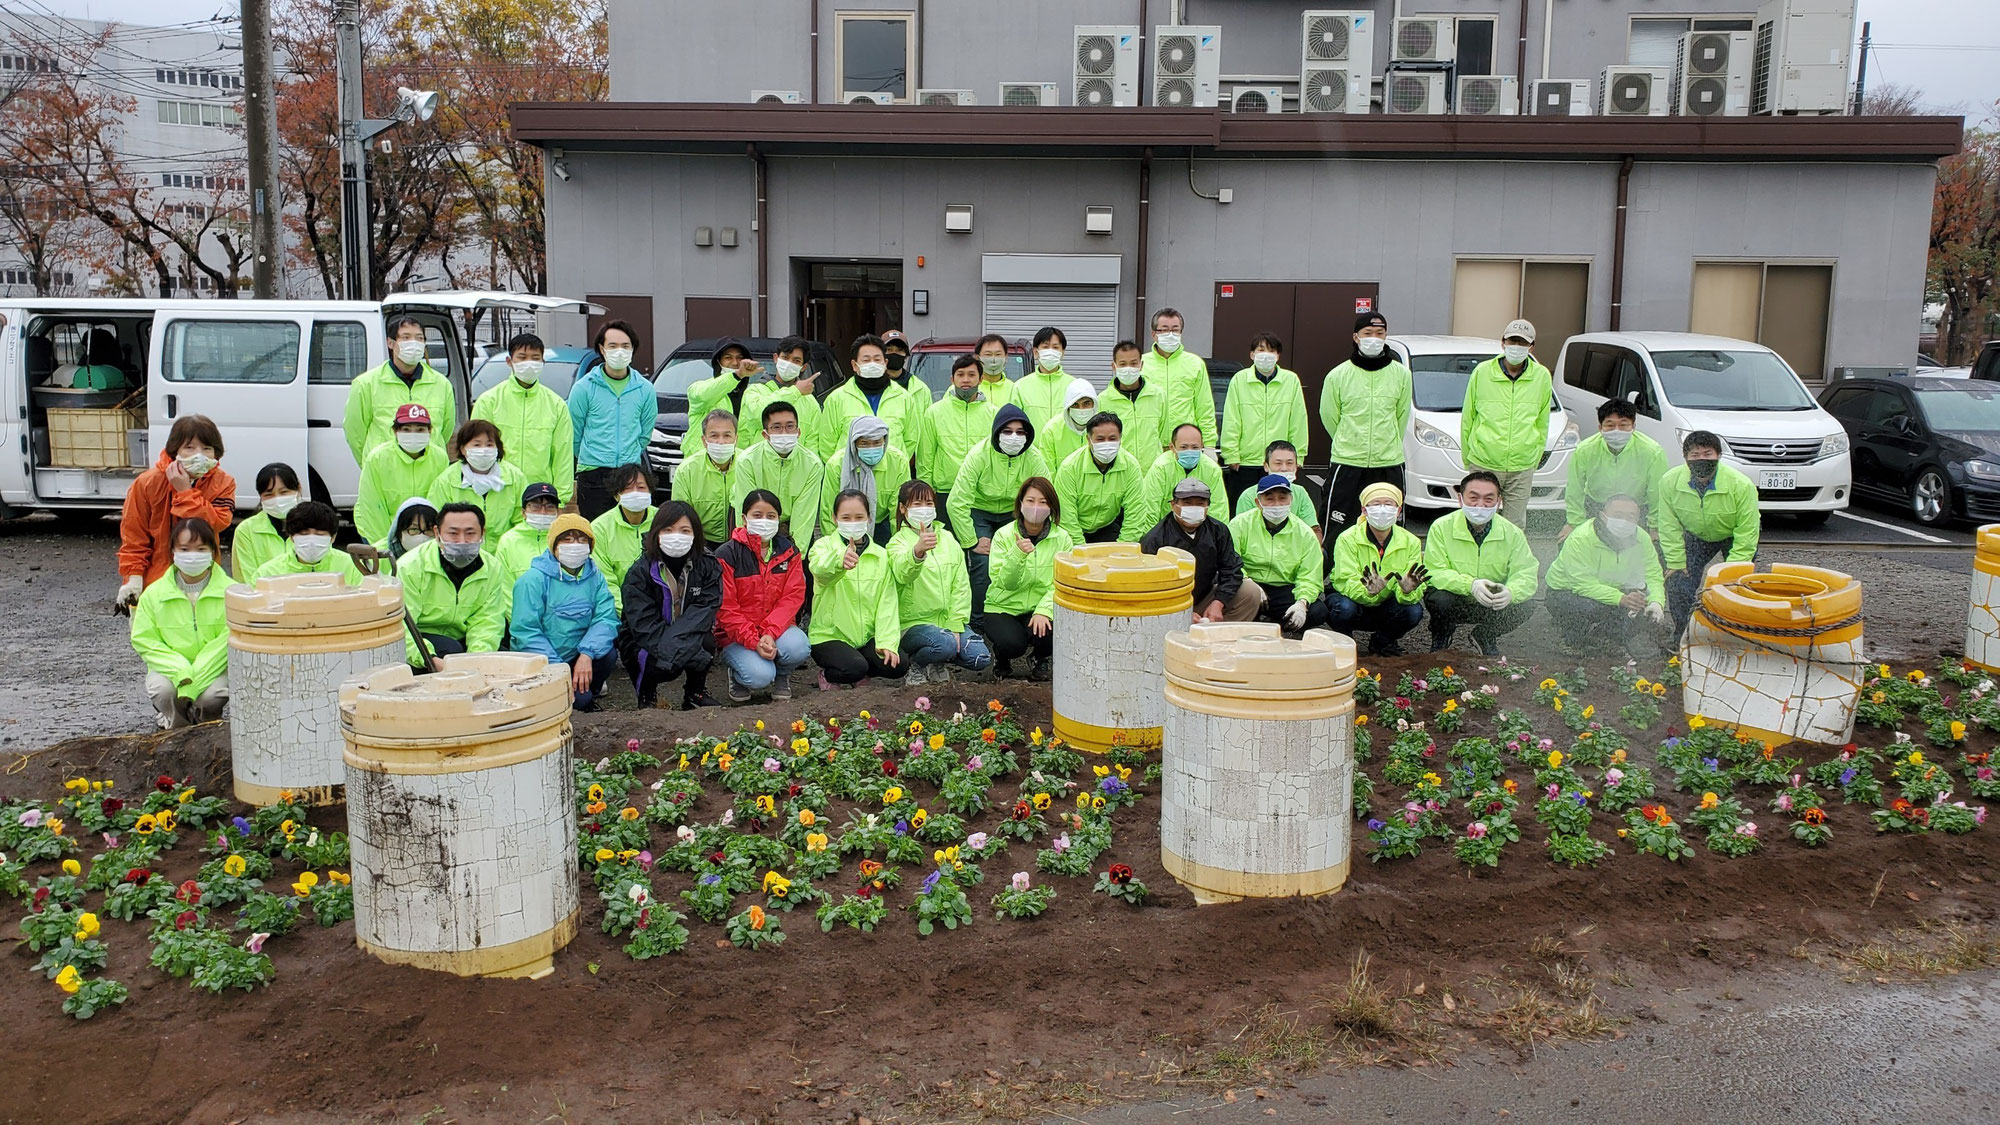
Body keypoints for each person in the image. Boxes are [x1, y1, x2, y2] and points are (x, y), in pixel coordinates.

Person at [948, 405, 1050, 632]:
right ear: (996, 432)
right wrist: (971, 541)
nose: (1014, 437)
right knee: (982, 565)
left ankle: (1016, 614)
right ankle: (978, 623)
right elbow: (956, 501)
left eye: (1020, 432)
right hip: (980, 512)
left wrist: (1037, 527)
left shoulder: (1034, 457)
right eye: (1007, 431)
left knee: (1021, 560)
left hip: (1014, 513)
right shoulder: (978, 455)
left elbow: (1047, 494)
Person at [118, 414, 235, 606]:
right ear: (175, 450)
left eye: (207, 448)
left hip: (204, 577)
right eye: (190, 448)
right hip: (155, 583)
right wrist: (134, 579)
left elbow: (217, 522)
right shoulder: (147, 483)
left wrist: (185, 492)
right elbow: (134, 535)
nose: (200, 455)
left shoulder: (223, 482)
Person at [510, 514, 620, 710]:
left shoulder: (595, 577)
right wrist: (557, 668)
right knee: (566, 702)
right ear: (554, 545)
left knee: (608, 654)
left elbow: (606, 618)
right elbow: (526, 632)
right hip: (544, 661)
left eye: (581, 539)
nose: (574, 545)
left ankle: (586, 691)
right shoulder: (531, 581)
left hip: (578, 655)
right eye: (567, 539)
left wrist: (586, 653)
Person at [1422, 472, 1539, 656]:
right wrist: (1470, 585)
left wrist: (1511, 592)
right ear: (1460, 499)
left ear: (1499, 501)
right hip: (1456, 598)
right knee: (1438, 599)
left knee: (1526, 605)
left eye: (1488, 499)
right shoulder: (1441, 527)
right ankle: (1441, 635)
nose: (1480, 505)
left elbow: (1526, 572)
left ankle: (1485, 635)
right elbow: (1434, 572)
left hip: (1490, 601)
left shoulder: (1512, 533)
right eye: (1473, 498)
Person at [619, 501, 723, 710]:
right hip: (646, 638)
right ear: (657, 533)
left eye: (685, 530)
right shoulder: (639, 571)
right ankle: (647, 695)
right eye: (669, 530)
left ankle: (695, 693)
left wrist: (681, 649)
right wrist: (674, 655)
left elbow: (704, 610)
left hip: (686, 632)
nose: (677, 536)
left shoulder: (708, 565)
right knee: (649, 659)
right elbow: (642, 624)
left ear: (695, 535)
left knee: (706, 642)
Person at [1659, 430, 1762, 638]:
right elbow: (1668, 525)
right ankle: (1684, 631)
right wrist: (1675, 561)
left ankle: (1734, 632)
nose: (1701, 460)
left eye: (1708, 454)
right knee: (1678, 581)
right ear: (1685, 458)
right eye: (1695, 455)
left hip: (1733, 535)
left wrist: (1732, 570)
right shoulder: (1669, 482)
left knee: (1736, 585)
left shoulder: (1741, 485)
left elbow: (1747, 530)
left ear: (1719, 456)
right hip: (1696, 535)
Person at [887, 479, 991, 684]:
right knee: (945, 644)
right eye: (917, 504)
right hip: (913, 624)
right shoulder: (897, 542)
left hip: (945, 621)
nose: (924, 509)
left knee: (980, 657)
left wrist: (955, 623)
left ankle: (937, 661)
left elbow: (961, 585)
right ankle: (917, 666)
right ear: (903, 508)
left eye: (928, 503)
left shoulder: (948, 539)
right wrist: (917, 553)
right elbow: (902, 574)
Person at [130, 518, 230, 729]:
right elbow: (144, 639)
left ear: (213, 551)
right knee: (164, 691)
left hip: (216, 667)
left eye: (201, 548)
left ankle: (208, 726)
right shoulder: (153, 594)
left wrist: (194, 680)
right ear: (173, 551)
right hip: (170, 668)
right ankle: (177, 729)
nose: (192, 555)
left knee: (211, 697)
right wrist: (180, 671)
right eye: (184, 549)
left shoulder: (233, 592)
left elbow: (229, 640)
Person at [1319, 312, 1411, 535]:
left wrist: (1385, 444)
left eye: (1379, 333)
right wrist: (1348, 439)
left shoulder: (1401, 375)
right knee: (1337, 524)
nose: (1374, 338)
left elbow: (1401, 417)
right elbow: (1329, 416)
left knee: (1389, 526)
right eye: (1368, 333)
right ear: (1356, 337)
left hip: (1388, 462)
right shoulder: (1338, 375)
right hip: (1347, 461)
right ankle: (1333, 568)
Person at [715, 489, 810, 702]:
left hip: (775, 630)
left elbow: (793, 597)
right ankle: (738, 676)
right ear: (744, 518)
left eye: (771, 516)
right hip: (736, 636)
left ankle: (782, 676)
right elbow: (726, 608)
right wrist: (752, 639)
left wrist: (768, 632)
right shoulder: (727, 554)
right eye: (757, 515)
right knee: (759, 676)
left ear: (779, 519)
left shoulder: (789, 552)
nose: (764, 521)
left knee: (799, 647)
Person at [808, 489, 905, 688]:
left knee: (899, 665)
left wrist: (887, 643)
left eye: (859, 517)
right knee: (854, 668)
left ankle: (858, 666)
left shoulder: (881, 555)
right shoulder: (822, 547)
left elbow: (887, 602)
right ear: (835, 518)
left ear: (869, 518)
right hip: (829, 634)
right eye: (846, 517)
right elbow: (820, 571)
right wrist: (839, 561)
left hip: (866, 636)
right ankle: (829, 675)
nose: (853, 522)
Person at [1547, 494, 1667, 656]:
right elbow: (1582, 585)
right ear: (1603, 516)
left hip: (1614, 591)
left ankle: (1608, 639)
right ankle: (1572, 640)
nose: (1624, 521)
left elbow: (1652, 575)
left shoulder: (1642, 538)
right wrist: (1622, 599)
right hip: (1567, 592)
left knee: (1643, 609)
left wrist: (1656, 603)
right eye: (1618, 515)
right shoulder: (1581, 538)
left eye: (1631, 517)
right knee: (1586, 607)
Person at [397, 502, 510, 669]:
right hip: (422, 644)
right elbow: (403, 626)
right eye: (453, 533)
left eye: (470, 533)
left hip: (463, 639)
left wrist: (475, 660)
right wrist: (431, 660)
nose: (462, 541)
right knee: (450, 649)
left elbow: (488, 621)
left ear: (482, 534)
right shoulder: (410, 566)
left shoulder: (492, 567)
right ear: (437, 533)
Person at [1461, 319, 1552, 522]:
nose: (1517, 347)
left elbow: (1542, 422)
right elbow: (1468, 417)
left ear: (1532, 346)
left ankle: (1507, 556)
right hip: (1484, 461)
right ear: (1503, 343)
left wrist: (1533, 458)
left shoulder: (1542, 376)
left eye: (1522, 343)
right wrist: (1469, 458)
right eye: (1513, 341)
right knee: (1478, 519)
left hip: (1522, 465)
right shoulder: (1482, 372)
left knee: (1515, 525)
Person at [1323, 482, 1428, 655]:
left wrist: (1408, 592)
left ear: (1398, 510)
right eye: (1376, 504)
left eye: (1388, 504)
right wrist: (1369, 592)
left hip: (1388, 605)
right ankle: (1345, 643)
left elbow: (1414, 581)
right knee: (1342, 608)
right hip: (1355, 602)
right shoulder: (1347, 538)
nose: (1382, 509)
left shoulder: (1411, 542)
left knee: (1413, 611)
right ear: (1364, 510)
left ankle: (1382, 641)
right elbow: (1344, 580)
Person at [471, 332, 575, 507]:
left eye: (535, 358)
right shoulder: (489, 401)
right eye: (522, 357)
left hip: (540, 497)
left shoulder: (556, 405)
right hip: (497, 493)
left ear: (543, 362)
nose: (529, 363)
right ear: (509, 361)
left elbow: (562, 456)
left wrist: (561, 499)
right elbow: (475, 449)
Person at [568, 320, 657, 520]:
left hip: (630, 474)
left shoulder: (645, 389)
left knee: (629, 529)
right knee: (596, 533)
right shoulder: (584, 388)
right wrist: (591, 456)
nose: (619, 351)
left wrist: (629, 453)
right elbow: (574, 433)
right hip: (593, 474)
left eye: (625, 346)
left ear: (633, 349)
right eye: (613, 346)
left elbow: (644, 434)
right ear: (602, 348)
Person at [985, 477, 1072, 681]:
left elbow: (1061, 582)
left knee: (1054, 630)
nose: (1036, 507)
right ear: (1020, 503)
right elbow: (1005, 583)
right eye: (1030, 501)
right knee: (1013, 644)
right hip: (1003, 606)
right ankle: (1002, 657)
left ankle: (1040, 658)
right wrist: (1017, 554)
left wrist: (1043, 610)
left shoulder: (1063, 539)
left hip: (1038, 606)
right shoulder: (1003, 535)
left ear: (1052, 506)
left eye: (1043, 502)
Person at [1139, 478, 1260, 623]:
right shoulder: (1155, 538)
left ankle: (1218, 633)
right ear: (1173, 505)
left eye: (1200, 503)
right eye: (1187, 503)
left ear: (1208, 506)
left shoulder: (1218, 530)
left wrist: (1219, 602)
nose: (1194, 508)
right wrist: (1179, 610)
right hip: (1169, 603)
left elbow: (1231, 569)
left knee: (1250, 591)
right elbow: (1147, 586)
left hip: (1205, 596)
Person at [344, 316, 452, 463]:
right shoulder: (366, 384)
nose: (413, 343)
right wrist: (371, 464)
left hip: (430, 471)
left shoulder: (441, 384)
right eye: (405, 337)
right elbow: (355, 433)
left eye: (419, 338)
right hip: (385, 471)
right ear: (390, 342)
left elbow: (445, 430)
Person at [1227, 474, 1324, 634]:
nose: (1277, 504)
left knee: (1318, 611)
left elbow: (1310, 576)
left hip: (1284, 588)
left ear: (1290, 500)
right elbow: (1230, 562)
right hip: (1249, 585)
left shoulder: (1304, 533)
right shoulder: (1239, 525)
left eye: (1282, 498)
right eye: (1269, 498)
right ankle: (1247, 626)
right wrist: (1248, 583)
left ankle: (1278, 626)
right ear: (1258, 503)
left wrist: (1302, 602)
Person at [1221, 331, 1309, 504]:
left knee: (1279, 507)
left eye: (1271, 350)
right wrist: (1231, 454)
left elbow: (1298, 420)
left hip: (1279, 462)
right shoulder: (1240, 380)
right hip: (1246, 461)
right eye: (1261, 350)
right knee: (1244, 507)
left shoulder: (1291, 380)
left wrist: (1298, 455)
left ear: (1278, 355)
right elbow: (1232, 418)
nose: (1266, 355)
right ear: (1252, 354)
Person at [1564, 400, 1669, 538]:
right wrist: (1574, 524)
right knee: (1571, 543)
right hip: (1597, 505)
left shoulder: (1652, 452)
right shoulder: (1585, 450)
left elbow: (1657, 493)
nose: (1616, 430)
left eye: (1623, 424)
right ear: (1600, 427)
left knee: (1646, 549)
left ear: (1633, 426)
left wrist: (1655, 527)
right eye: (1610, 425)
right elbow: (1574, 489)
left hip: (1636, 509)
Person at [818, 334, 925, 465]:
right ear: (854, 365)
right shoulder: (836, 399)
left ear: (885, 363)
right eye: (866, 360)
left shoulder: (904, 398)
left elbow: (910, 440)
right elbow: (826, 444)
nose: (872, 364)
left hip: (891, 477)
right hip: (850, 477)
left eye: (877, 359)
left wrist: (894, 465)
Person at [734, 400, 824, 548]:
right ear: (765, 434)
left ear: (798, 431)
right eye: (776, 427)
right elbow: (745, 508)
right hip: (756, 522)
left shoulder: (812, 465)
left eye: (790, 426)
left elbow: (804, 516)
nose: (784, 433)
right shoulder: (747, 461)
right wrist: (749, 552)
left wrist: (795, 556)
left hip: (789, 527)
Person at [426, 419, 524, 550]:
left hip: (506, 554)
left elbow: (521, 522)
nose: (483, 451)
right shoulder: (446, 481)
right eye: (477, 445)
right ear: (463, 449)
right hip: (460, 554)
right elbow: (436, 523)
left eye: (489, 445)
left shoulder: (515, 478)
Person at [355, 403, 446, 544]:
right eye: (406, 429)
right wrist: (388, 543)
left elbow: (441, 502)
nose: (413, 435)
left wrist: (430, 536)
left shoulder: (440, 458)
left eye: (420, 430)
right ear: (395, 431)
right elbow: (372, 507)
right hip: (382, 533)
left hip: (426, 535)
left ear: (430, 431)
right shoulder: (377, 458)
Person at [920, 354, 997, 516]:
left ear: (981, 379)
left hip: (980, 492)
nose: (966, 380)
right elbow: (925, 457)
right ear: (952, 379)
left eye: (971, 375)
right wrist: (926, 492)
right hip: (945, 491)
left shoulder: (994, 413)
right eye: (960, 375)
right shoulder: (934, 412)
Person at [1053, 412, 1147, 544]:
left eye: (1112, 438)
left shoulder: (1131, 466)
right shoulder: (1070, 468)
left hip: (1107, 527)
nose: (1107, 444)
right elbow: (1067, 517)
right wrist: (1081, 551)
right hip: (1074, 532)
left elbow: (1136, 513)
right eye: (1100, 439)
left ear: (1120, 438)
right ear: (1088, 439)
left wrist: (1122, 550)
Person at [819, 414, 910, 543]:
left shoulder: (898, 462)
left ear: (885, 441)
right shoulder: (836, 465)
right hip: (847, 524)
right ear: (853, 443)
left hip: (882, 523)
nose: (871, 447)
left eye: (877, 442)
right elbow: (828, 511)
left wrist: (900, 546)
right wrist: (834, 547)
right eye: (864, 443)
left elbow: (898, 513)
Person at [1140, 307, 1217, 450]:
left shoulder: (1195, 364)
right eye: (1164, 329)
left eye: (1175, 330)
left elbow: (1204, 407)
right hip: (1150, 445)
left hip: (1185, 446)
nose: (1170, 334)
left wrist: (1209, 445)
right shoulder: (1141, 364)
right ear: (1154, 334)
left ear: (1181, 333)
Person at [740, 336, 823, 456]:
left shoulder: (810, 401)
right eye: (785, 357)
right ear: (776, 358)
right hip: (759, 466)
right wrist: (795, 392)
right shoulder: (754, 391)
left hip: (796, 468)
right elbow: (757, 416)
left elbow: (813, 444)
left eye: (796, 361)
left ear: (804, 367)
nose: (789, 364)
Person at [589, 463, 656, 611]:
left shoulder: (664, 521)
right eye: (627, 488)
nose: (635, 492)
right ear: (616, 495)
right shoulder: (599, 528)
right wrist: (624, 613)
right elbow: (605, 580)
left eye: (641, 487)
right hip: (617, 612)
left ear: (650, 491)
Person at [671, 408, 740, 546]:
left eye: (727, 436)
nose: (721, 442)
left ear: (736, 439)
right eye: (714, 436)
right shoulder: (687, 470)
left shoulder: (748, 464)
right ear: (704, 440)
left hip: (740, 542)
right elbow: (679, 516)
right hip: (700, 543)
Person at [1138, 422, 1226, 529]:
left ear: (1202, 446)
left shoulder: (1212, 470)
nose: (1190, 451)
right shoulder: (1160, 468)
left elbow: (1219, 511)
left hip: (1202, 532)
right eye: (1184, 447)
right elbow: (1150, 510)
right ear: (1172, 447)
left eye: (1195, 447)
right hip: (1166, 531)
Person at [255, 501, 364, 583]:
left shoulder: (353, 566)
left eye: (319, 534)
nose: (312, 541)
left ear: (333, 537)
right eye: (304, 534)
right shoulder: (268, 573)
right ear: (291, 537)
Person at [230, 463, 300, 584]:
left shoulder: (313, 525)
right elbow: (248, 579)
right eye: (269, 494)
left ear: (298, 489)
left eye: (284, 492)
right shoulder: (246, 530)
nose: (277, 499)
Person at [1100, 340, 1171, 455]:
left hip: (1152, 469)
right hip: (1121, 469)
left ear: (1141, 365)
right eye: (1123, 364)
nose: (1128, 369)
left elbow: (1165, 438)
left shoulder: (1158, 396)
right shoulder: (1103, 400)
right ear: (1114, 366)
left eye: (1133, 363)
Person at [1231, 440, 1320, 532]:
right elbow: (1241, 530)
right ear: (1266, 466)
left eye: (1289, 463)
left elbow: (1313, 529)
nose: (1284, 468)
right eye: (1278, 463)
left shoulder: (1300, 493)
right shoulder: (1248, 496)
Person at [684, 337, 762, 428]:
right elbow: (703, 395)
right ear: (718, 361)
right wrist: (737, 375)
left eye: (740, 358)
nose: (735, 363)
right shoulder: (699, 387)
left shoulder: (753, 393)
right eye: (728, 358)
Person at [1013, 327, 1076, 433]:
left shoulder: (1074, 385)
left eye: (1055, 347)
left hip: (1066, 448)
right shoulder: (1021, 386)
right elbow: (1014, 422)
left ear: (1062, 352)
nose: (1050, 351)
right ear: (1036, 352)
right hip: (1032, 448)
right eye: (1045, 347)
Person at [495, 483, 560, 587]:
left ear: (558, 512)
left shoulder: (565, 539)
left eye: (550, 507)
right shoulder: (508, 541)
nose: (543, 512)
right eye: (535, 506)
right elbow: (504, 586)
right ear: (523, 512)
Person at [369, 497, 438, 576]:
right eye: (414, 529)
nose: (421, 537)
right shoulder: (375, 557)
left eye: (428, 530)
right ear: (398, 530)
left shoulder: (443, 560)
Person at [1038, 379, 1099, 468]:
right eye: (1075, 404)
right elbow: (1048, 470)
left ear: (1094, 404)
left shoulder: (1104, 428)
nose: (1081, 409)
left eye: (1086, 403)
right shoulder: (1051, 430)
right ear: (1068, 406)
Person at [972, 333, 1015, 408]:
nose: (993, 359)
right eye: (988, 354)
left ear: (1006, 357)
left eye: (998, 354)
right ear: (977, 358)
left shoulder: (1015, 389)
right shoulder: (964, 388)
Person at [881, 329, 917, 393]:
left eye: (899, 350)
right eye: (889, 349)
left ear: (906, 354)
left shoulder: (920, 388)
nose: (894, 353)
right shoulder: (871, 385)